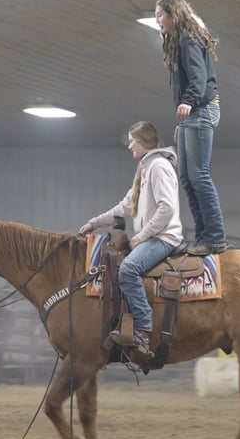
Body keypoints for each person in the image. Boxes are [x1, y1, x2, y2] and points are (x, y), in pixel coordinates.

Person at [78, 121, 182, 354]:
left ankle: (143, 331)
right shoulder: (145, 168)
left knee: (128, 270)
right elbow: (125, 206)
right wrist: (94, 223)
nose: (129, 146)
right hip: (152, 237)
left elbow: (166, 208)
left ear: (144, 141)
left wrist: (141, 236)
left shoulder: (158, 167)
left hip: (163, 238)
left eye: (133, 140)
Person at [155, 0, 229, 256]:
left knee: (199, 175)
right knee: (186, 178)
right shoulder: (179, 43)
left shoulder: (188, 40)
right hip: (193, 115)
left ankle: (216, 237)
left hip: (200, 109)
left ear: (173, 14)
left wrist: (188, 102)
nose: (158, 21)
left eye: (160, 15)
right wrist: (184, 121)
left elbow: (198, 78)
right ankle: (202, 236)